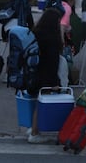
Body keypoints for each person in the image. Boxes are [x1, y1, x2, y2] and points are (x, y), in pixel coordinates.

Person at [28, 8, 63, 144]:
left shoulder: (36, 33)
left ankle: (32, 128)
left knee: (36, 100)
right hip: (46, 75)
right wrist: (55, 82)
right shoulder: (52, 39)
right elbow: (53, 62)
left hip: (34, 73)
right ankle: (34, 133)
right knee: (41, 103)